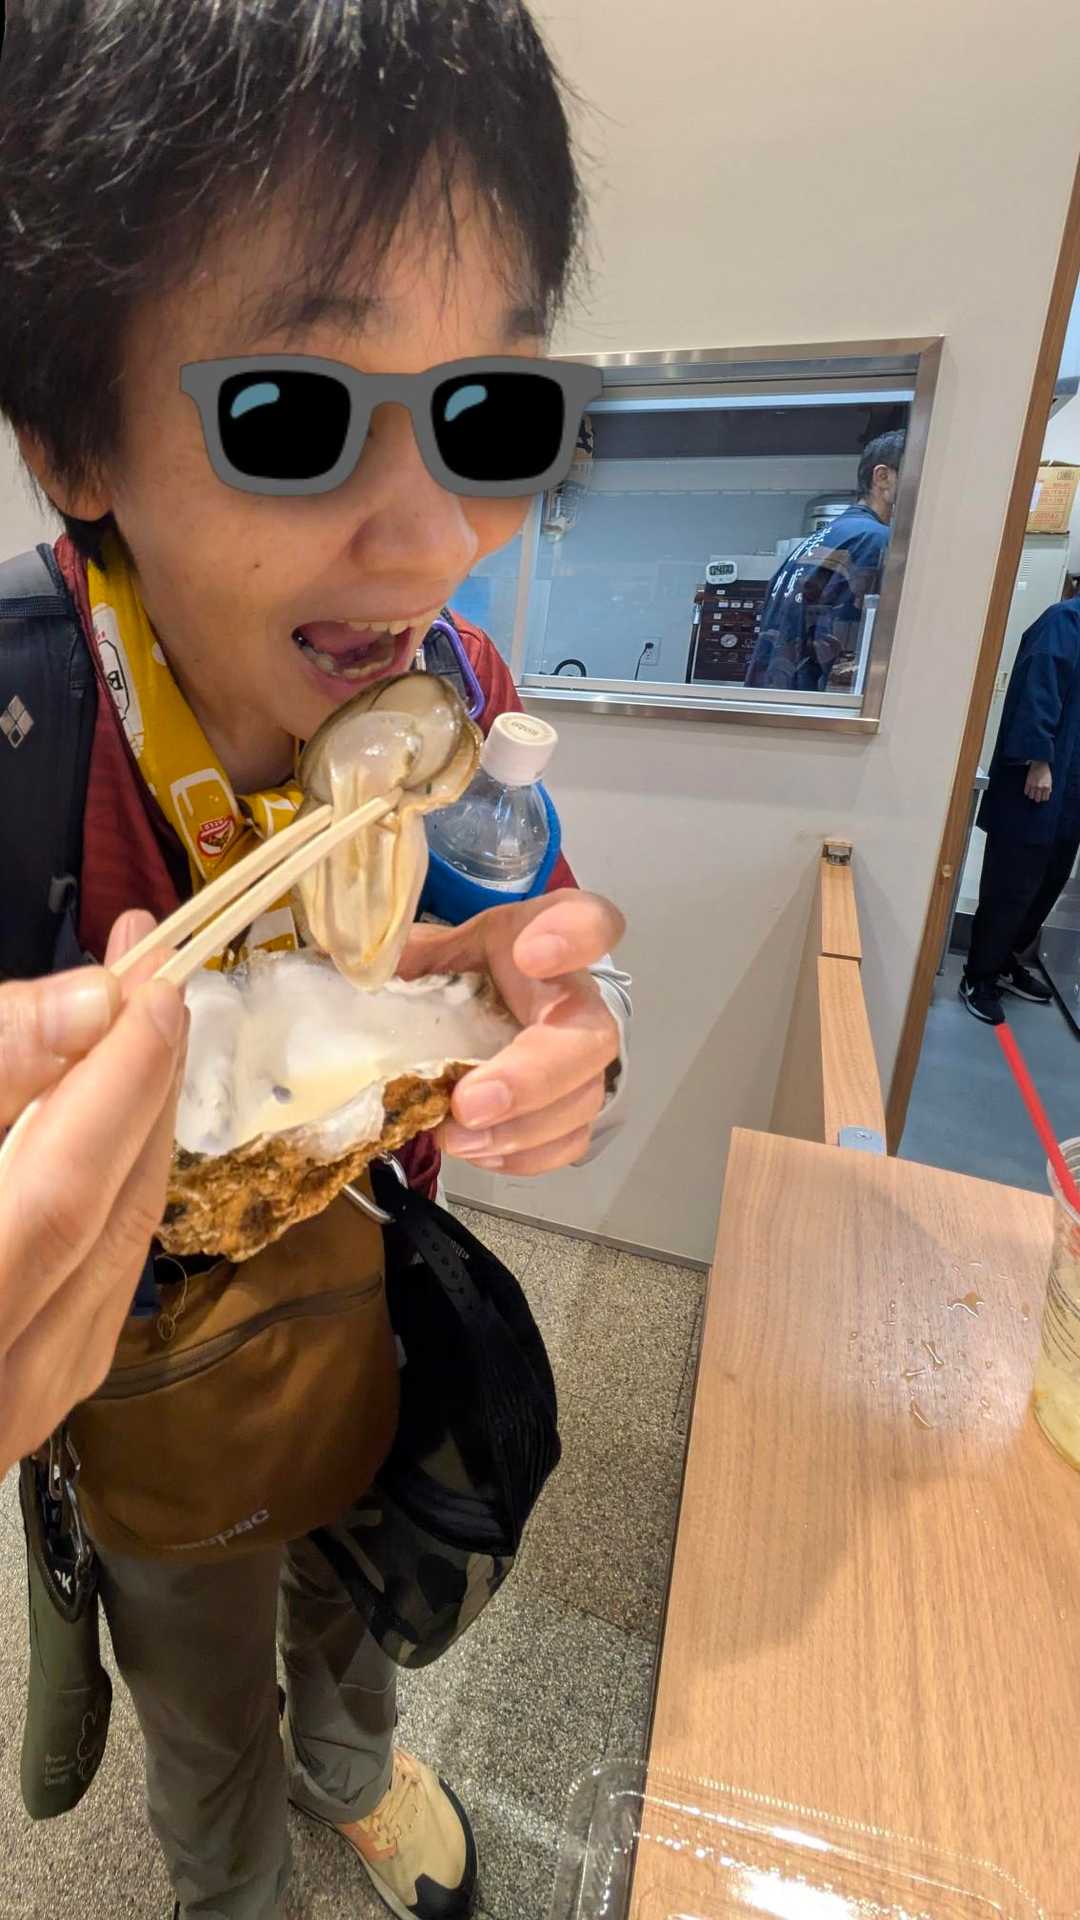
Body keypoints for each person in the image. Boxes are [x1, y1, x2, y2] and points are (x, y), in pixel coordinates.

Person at [0, 4, 630, 1917]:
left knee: (355, 1603)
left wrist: (561, 1021)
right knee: (202, 1702)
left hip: (370, 1288)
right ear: (71, 439)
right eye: (292, 410)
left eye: (488, 406)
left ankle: (358, 1774)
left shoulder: (451, 689)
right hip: (143, 1371)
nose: (435, 537)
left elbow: (526, 938)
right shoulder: (22, 730)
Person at [960, 593, 1080, 1025]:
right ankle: (979, 975)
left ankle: (1007, 961)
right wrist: (1039, 759)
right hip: (1037, 781)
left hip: (1071, 792)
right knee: (1012, 885)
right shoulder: (1063, 623)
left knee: (1049, 881)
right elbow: (1038, 694)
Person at [745, 429, 906, 693]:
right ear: (882, 477)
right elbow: (845, 658)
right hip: (813, 703)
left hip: (776, 698)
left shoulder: (820, 539)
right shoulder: (875, 540)